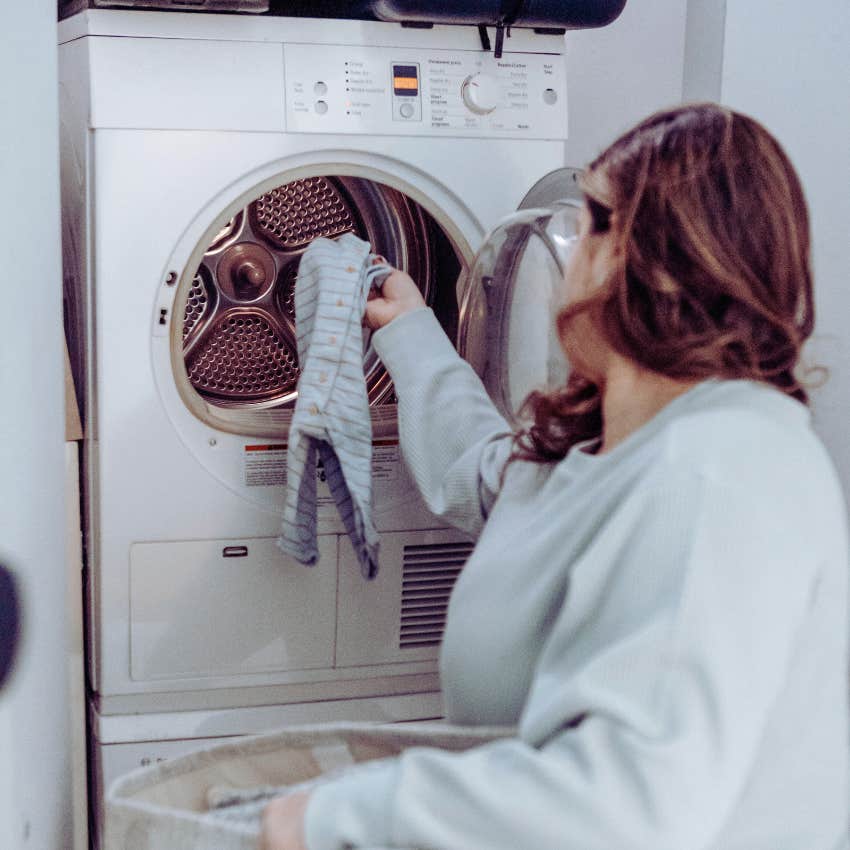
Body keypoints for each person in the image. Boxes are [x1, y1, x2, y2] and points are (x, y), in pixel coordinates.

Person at [261, 103, 849, 850]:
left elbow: (629, 808)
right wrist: (410, 331)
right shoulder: (605, 443)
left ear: (656, 259)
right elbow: (485, 475)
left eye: (591, 220)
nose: (565, 252)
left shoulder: (721, 471)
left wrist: (339, 816)